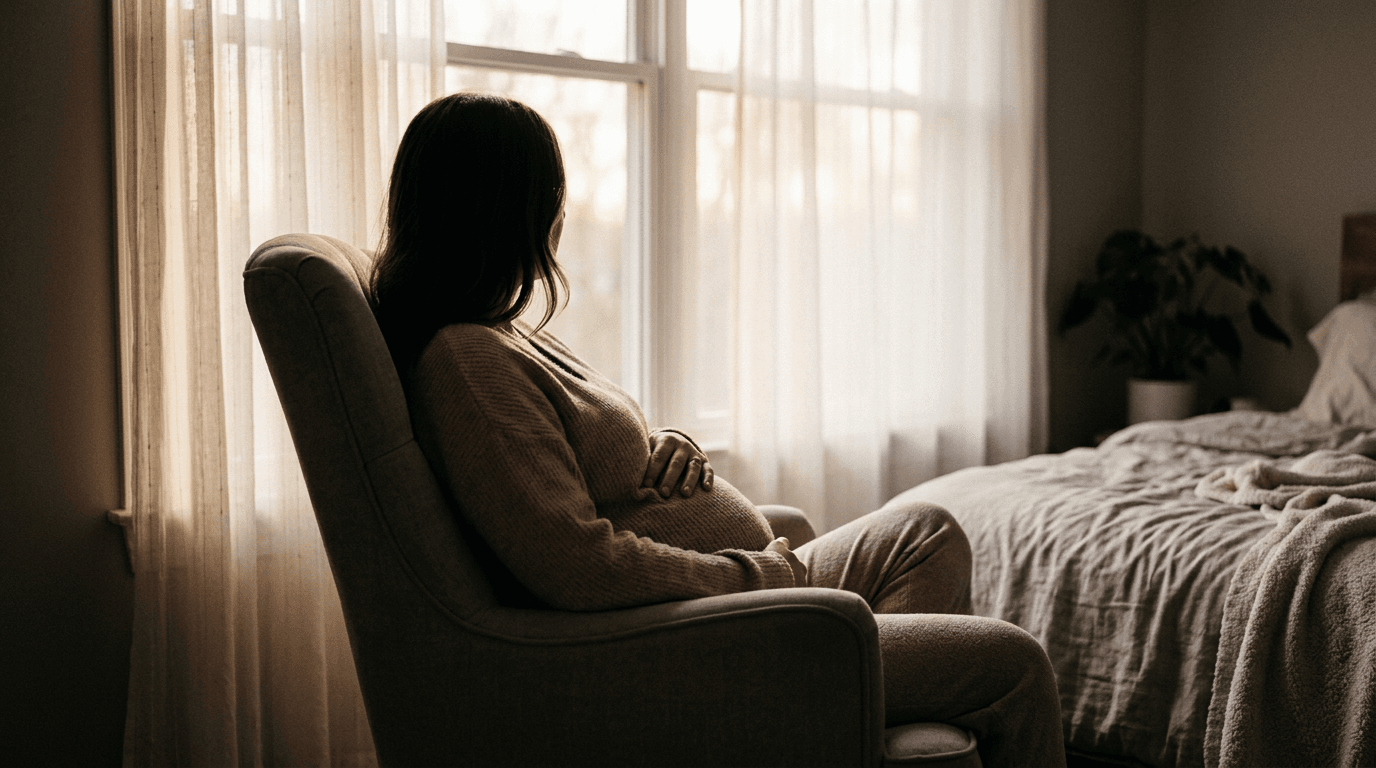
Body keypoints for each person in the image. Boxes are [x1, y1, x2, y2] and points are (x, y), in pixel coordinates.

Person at [368, 92, 1066, 767]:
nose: (562, 214)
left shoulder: (502, 336)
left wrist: (665, 443)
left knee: (925, 532)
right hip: (706, 638)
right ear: (509, 210)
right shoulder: (465, 362)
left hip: (749, 605)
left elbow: (585, 465)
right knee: (1012, 664)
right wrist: (750, 577)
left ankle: (864, 716)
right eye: (552, 195)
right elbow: (574, 565)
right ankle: (865, 702)